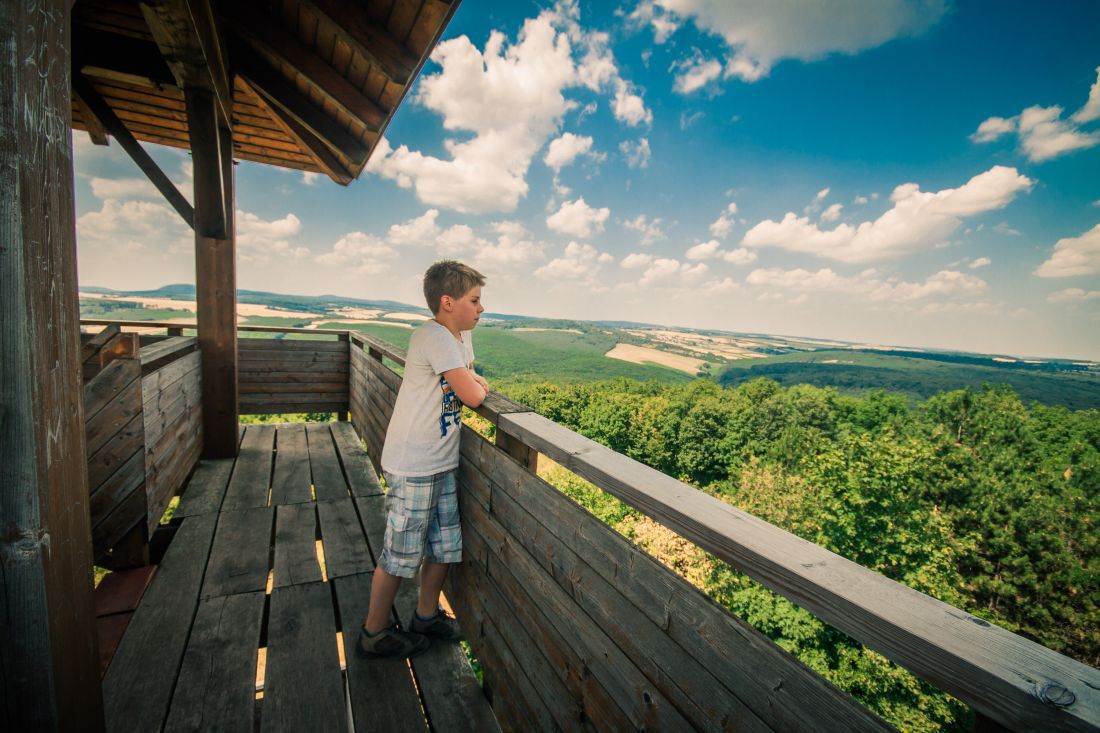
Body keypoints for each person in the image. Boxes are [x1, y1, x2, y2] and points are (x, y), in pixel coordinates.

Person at [359, 260, 489, 658]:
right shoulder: (433, 338)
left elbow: (472, 380)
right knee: (400, 555)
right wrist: (477, 384)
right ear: (448, 302)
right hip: (414, 463)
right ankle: (374, 633)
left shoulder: (459, 338)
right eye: (475, 300)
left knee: (445, 546)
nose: (481, 309)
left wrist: (475, 381)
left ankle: (426, 615)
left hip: (440, 460)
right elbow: (474, 393)